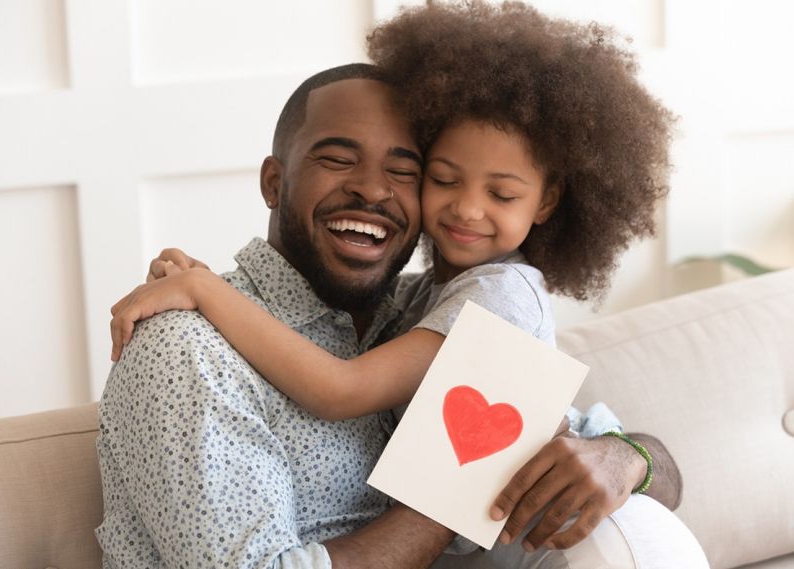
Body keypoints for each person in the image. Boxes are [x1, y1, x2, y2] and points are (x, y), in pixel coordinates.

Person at [97, 4, 707, 568]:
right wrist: (459, 493)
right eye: (338, 159)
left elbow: (621, 454)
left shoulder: (435, 308)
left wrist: (627, 456)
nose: (373, 189)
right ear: (273, 183)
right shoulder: (187, 350)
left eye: (404, 170)